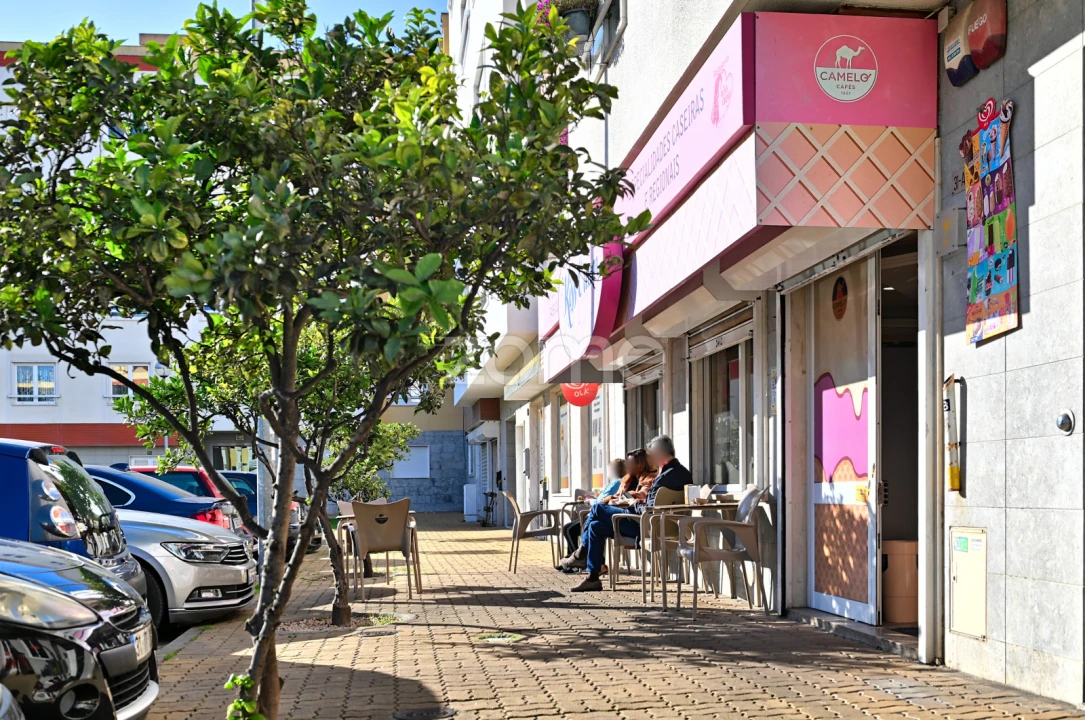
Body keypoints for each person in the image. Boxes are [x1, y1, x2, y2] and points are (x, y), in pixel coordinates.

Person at [564, 435, 692, 592]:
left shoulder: (664, 477)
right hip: (660, 525)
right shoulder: (683, 473)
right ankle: (592, 578)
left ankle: (582, 552)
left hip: (646, 527)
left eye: (651, 455)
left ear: (659, 453)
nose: (650, 459)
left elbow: (648, 510)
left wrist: (633, 503)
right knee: (595, 527)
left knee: (598, 509)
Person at [559, 451, 649, 569]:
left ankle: (580, 555)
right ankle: (593, 574)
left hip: (637, 524)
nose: (628, 466)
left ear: (640, 464)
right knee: (595, 525)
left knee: (596, 509)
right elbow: (618, 498)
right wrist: (616, 498)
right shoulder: (628, 481)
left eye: (631, 463)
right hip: (625, 518)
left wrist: (627, 498)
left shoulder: (648, 480)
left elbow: (640, 496)